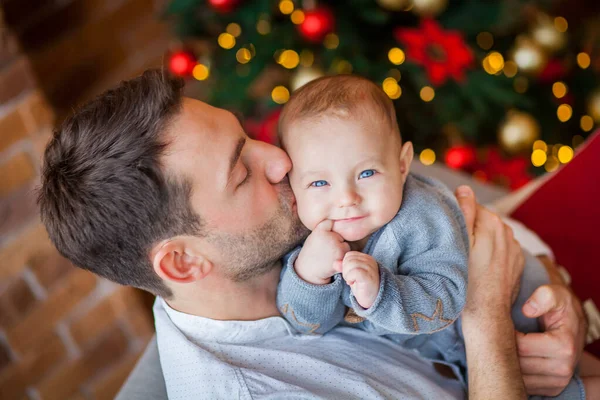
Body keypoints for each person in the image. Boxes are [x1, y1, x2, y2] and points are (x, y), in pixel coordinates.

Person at [38, 69, 588, 399]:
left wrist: (551, 301)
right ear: (183, 264)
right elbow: (482, 293)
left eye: (248, 137)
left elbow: (479, 229)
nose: (280, 160)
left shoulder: (317, 206)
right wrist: (487, 318)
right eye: (241, 172)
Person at [275, 75, 590, 398]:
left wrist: (381, 291)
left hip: (525, 317)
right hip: (473, 360)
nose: (347, 198)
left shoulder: (423, 215)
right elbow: (307, 325)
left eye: (366, 173)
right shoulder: (308, 236)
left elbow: (448, 299)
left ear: (402, 164)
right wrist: (310, 277)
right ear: (292, 186)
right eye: (319, 183)